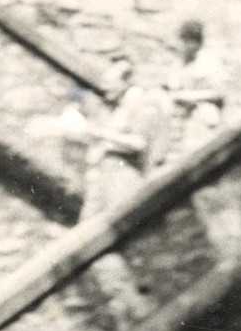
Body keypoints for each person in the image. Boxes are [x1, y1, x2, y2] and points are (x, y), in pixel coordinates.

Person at [80, 58, 171, 217]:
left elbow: (139, 143)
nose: (104, 87)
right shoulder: (118, 105)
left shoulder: (142, 105)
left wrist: (100, 133)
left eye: (110, 82)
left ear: (125, 82)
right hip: (104, 178)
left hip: (123, 178)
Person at [165, 19, 227, 156]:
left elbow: (220, 93)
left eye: (187, 41)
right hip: (181, 120)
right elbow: (172, 88)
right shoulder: (179, 62)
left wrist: (189, 96)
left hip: (202, 117)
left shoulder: (210, 61)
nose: (181, 45)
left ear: (194, 42)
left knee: (200, 155)